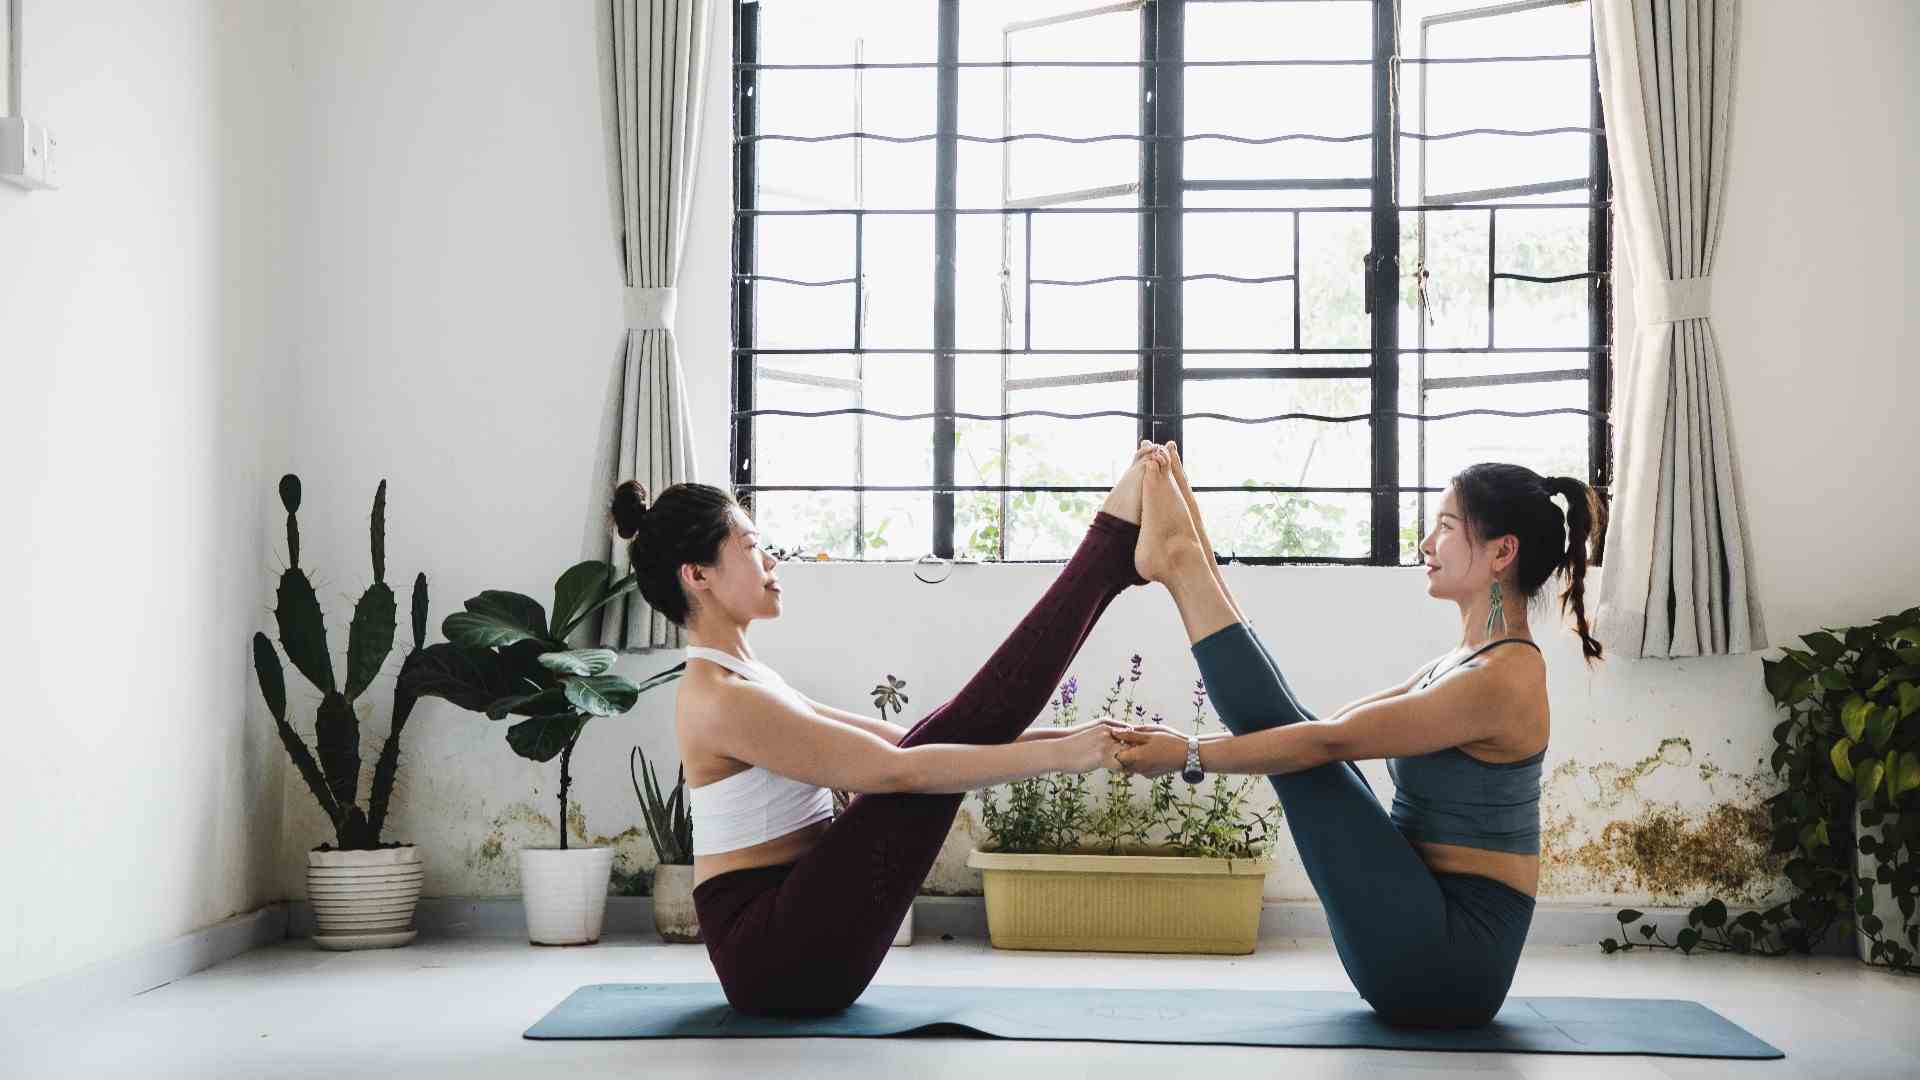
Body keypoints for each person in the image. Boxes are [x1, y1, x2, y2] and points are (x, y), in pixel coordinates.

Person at [608, 445, 1165, 1014]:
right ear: (697, 574)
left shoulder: (748, 681)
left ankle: (1109, 559)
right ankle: (1108, 556)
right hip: (772, 954)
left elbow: (908, 742)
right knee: (925, 766)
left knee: (942, 740)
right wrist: (1066, 755)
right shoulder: (722, 698)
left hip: (790, 935)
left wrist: (1077, 739)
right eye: (752, 549)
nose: (771, 562)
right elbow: (896, 772)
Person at [1115, 445, 1603, 1028]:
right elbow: (1308, 727)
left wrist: (1188, 754)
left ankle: (1182, 561)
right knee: (1297, 736)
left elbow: (1327, 743)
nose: (1426, 544)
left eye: (1445, 527)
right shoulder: (1464, 661)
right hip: (1416, 928)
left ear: (1503, 551)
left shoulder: (1502, 679)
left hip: (1449, 964)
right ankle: (1184, 557)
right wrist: (1193, 526)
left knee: (1311, 753)